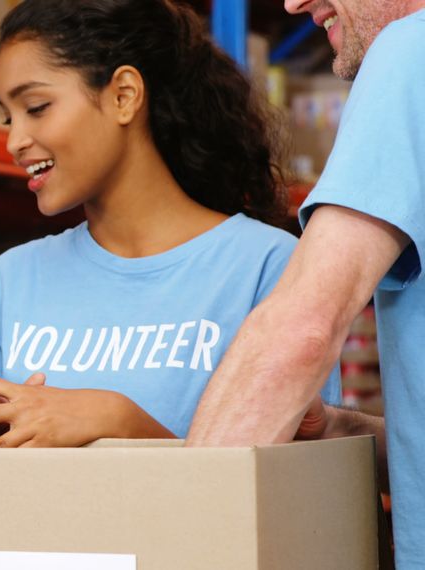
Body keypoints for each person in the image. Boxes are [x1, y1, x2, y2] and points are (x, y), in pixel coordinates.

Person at [0, 0, 341, 449]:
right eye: (9, 117)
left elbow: (302, 486)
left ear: (124, 95)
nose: (14, 141)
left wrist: (120, 421)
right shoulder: (8, 281)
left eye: (37, 106)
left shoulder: (270, 268)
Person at [186, 0, 425, 565]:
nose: (293, 2)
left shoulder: (411, 50)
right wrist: (344, 428)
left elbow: (305, 329)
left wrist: (174, 531)